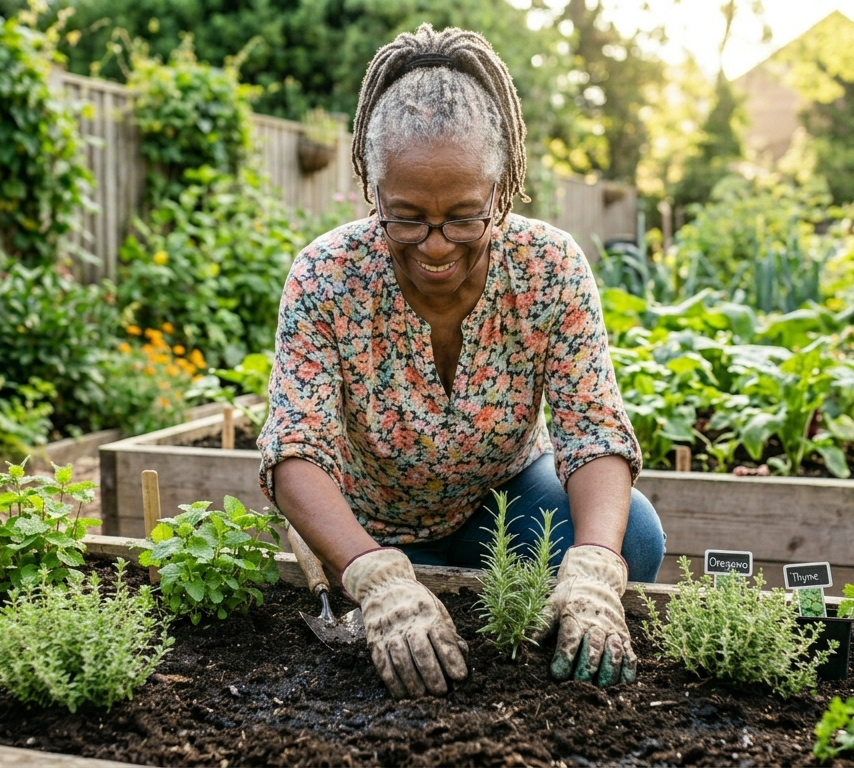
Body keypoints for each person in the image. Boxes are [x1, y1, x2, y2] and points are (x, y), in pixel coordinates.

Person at [257, 23, 666, 700]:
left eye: (464, 216)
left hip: (502, 507)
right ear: (371, 187)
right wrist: (373, 577)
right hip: (375, 529)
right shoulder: (327, 276)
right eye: (406, 217)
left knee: (634, 537)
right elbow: (294, 449)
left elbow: (593, 431)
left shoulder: (549, 267)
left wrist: (594, 568)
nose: (436, 245)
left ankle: (552, 656)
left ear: (502, 189)